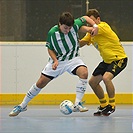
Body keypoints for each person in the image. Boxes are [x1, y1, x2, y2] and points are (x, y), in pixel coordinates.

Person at [9, 12, 98, 117]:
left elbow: (86, 18)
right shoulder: (52, 33)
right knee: (40, 82)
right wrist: (55, 60)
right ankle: (22, 105)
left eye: (69, 28)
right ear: (59, 24)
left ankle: (77, 104)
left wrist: (95, 26)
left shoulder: (74, 25)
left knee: (84, 73)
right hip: (58, 61)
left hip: (73, 59)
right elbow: (50, 49)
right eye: (65, 28)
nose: (68, 31)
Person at [79, 9, 128, 116]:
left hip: (119, 59)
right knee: (92, 82)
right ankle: (103, 105)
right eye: (89, 22)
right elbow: (81, 43)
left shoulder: (102, 27)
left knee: (106, 78)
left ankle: (112, 105)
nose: (91, 24)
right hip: (107, 61)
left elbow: (88, 29)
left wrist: (75, 25)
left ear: (98, 19)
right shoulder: (91, 33)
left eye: (92, 21)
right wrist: (69, 45)